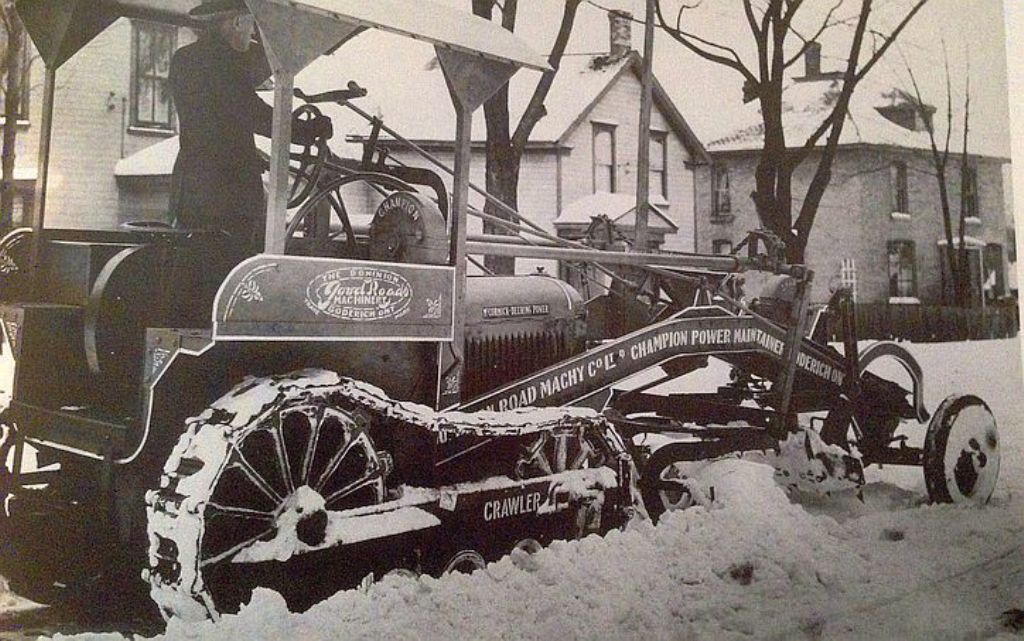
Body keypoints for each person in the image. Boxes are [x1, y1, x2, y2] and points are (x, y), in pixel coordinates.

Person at [169, 0, 332, 253]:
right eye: (251, 24)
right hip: (229, 193)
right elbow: (253, 113)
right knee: (231, 264)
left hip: (190, 189)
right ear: (236, 22)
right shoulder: (226, 62)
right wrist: (308, 131)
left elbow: (217, 122)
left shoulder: (184, 59)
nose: (254, 33)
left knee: (194, 264)